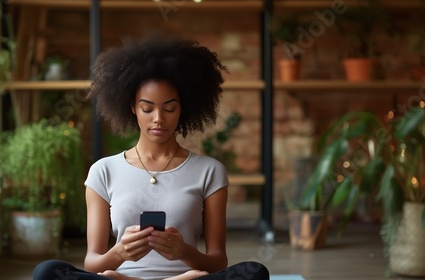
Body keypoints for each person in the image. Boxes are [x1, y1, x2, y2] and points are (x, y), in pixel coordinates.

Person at [33, 33, 269, 280]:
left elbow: (218, 262)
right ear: (132, 107)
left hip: (185, 279)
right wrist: (120, 253)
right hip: (122, 279)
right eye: (147, 108)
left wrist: (185, 252)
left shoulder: (209, 171)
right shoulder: (103, 171)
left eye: (169, 108)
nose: (158, 118)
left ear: (182, 108)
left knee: (254, 273)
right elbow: (93, 263)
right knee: (47, 272)